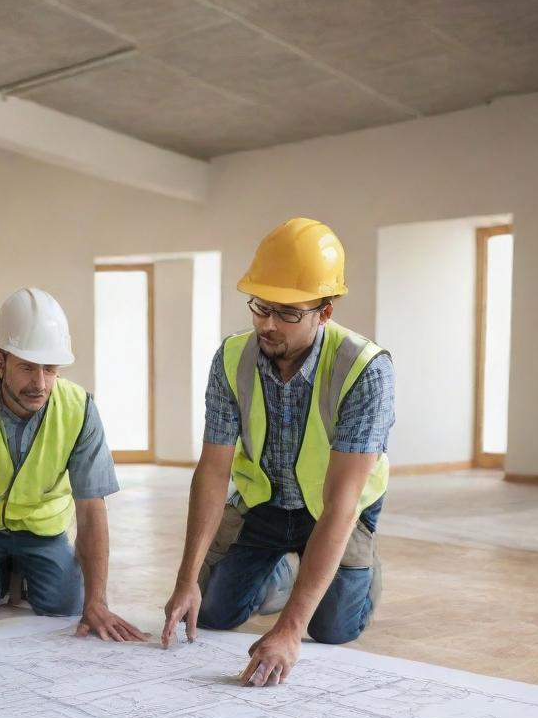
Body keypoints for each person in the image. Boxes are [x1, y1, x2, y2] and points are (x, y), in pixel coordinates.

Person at [161, 217, 395, 687]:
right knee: (214, 613)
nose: (269, 324)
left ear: (325, 312)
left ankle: (348, 568)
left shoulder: (366, 369)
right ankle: (287, 570)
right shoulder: (231, 358)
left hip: (334, 510)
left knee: (331, 630)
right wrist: (185, 578)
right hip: (262, 503)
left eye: (288, 313)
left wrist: (289, 629)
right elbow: (212, 471)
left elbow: (344, 500)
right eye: (262, 307)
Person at [0, 287, 145, 642]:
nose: (40, 384)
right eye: (26, 367)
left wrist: (97, 601)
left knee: (70, 604)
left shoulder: (79, 409)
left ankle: (15, 570)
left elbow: (90, 511)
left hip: (42, 531)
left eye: (50, 369)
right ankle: (0, 571)